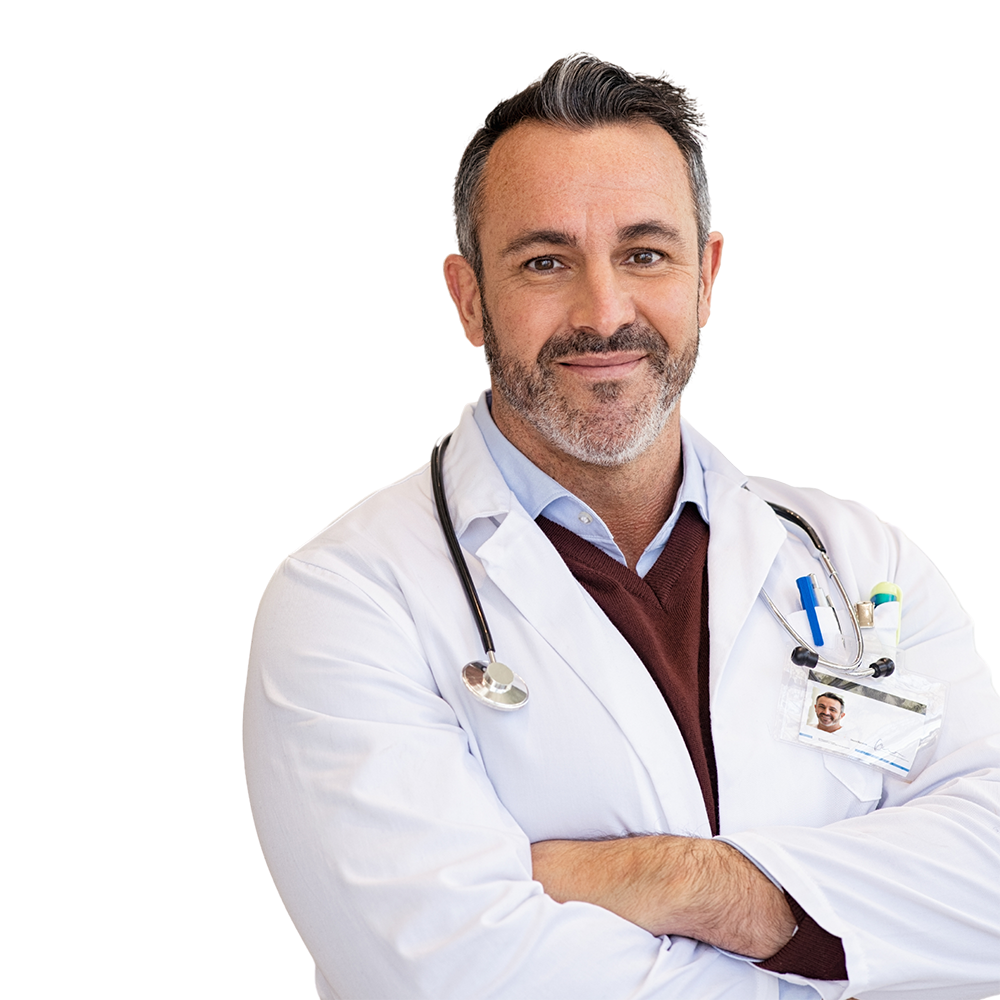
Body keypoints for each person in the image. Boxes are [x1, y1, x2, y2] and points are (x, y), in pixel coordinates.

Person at [242, 53, 1000, 1000]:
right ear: (470, 298)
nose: (603, 314)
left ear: (706, 277)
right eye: (545, 261)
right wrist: (851, 946)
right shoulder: (345, 603)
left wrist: (688, 884)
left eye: (645, 254)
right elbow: (451, 973)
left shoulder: (860, 559)